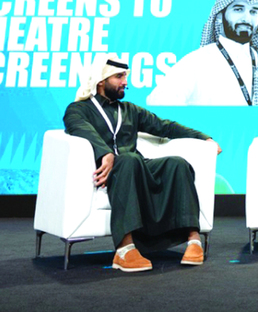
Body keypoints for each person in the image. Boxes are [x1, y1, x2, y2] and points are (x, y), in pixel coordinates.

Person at [63, 55, 222, 272]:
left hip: (136, 166)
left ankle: (193, 240)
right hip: (110, 172)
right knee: (128, 160)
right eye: (119, 77)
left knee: (177, 164)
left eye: (125, 76)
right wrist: (105, 153)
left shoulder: (130, 110)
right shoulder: (78, 109)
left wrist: (204, 137)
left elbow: (165, 126)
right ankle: (124, 249)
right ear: (101, 81)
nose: (125, 82)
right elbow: (80, 128)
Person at [147, 0, 258, 106]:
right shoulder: (198, 62)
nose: (247, 18)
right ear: (219, 14)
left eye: (253, 11)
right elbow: (158, 101)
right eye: (238, 9)